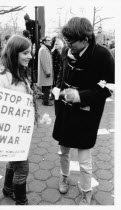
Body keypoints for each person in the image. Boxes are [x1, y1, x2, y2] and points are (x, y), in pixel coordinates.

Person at [52, 17, 114, 205]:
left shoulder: (103, 56)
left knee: (85, 160)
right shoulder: (65, 51)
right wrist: (58, 91)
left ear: (85, 39)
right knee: (63, 152)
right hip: (65, 112)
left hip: (87, 116)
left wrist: (79, 96)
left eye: (72, 41)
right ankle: (64, 176)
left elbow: (108, 87)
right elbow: (62, 76)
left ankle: (86, 189)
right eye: (67, 41)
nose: (68, 45)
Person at [0, 35, 34, 205]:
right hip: (10, 131)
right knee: (22, 167)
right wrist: (11, 114)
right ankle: (21, 200)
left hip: (19, 132)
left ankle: (7, 189)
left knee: (14, 161)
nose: (30, 56)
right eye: (25, 52)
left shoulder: (19, 72)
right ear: (14, 53)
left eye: (30, 52)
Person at [37, 36, 53, 106]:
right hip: (46, 73)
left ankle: (45, 100)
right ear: (44, 41)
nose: (50, 41)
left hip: (46, 73)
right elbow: (44, 62)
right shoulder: (43, 49)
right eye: (48, 40)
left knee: (46, 87)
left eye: (50, 40)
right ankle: (45, 101)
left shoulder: (45, 49)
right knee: (47, 87)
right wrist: (47, 72)